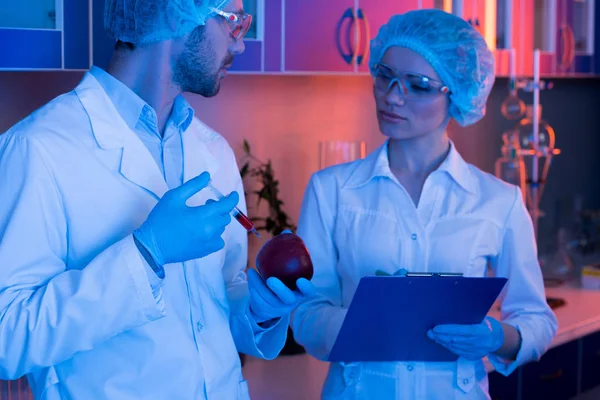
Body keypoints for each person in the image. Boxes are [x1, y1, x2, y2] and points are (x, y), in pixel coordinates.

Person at [0, 0, 315, 399]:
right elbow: (8, 340)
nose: (239, 45)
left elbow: (217, 300)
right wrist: (146, 254)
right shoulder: (36, 150)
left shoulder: (212, 149)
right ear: (174, 14)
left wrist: (260, 309)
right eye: (234, 22)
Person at [291, 9, 557, 399]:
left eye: (417, 85)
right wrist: (365, 325)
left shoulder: (498, 202)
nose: (392, 96)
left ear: (456, 92)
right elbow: (306, 313)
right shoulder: (331, 190)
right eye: (385, 76)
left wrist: (495, 337)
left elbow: (537, 320)